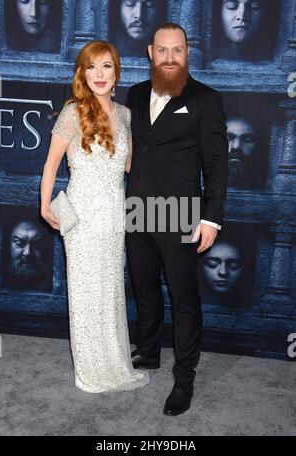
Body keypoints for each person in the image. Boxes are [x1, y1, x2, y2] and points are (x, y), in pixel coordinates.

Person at [125, 23, 228, 416]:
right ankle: (149, 353)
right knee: (145, 290)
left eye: (178, 51)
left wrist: (210, 219)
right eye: (163, 50)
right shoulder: (134, 94)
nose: (170, 58)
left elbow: (217, 165)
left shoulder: (205, 99)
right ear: (151, 53)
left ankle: (184, 379)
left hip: (182, 212)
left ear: (188, 54)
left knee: (184, 301)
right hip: (136, 208)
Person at [40, 40, 149, 393]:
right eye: (92, 67)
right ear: (82, 73)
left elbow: (130, 167)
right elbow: (51, 164)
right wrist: (44, 205)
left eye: (106, 66)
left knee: (111, 290)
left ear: (116, 73)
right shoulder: (73, 113)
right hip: (83, 216)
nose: (99, 75)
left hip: (115, 215)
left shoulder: (127, 115)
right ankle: (90, 370)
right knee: (86, 292)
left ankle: (114, 362)